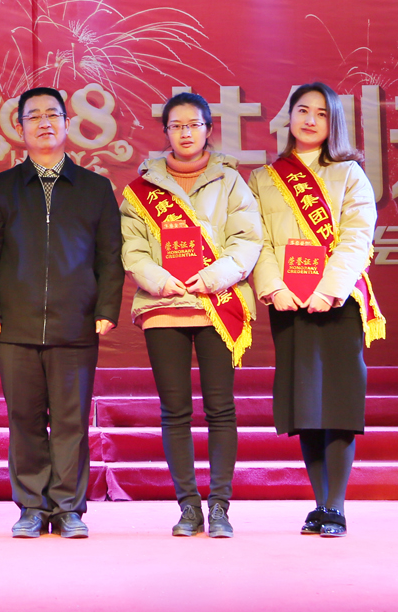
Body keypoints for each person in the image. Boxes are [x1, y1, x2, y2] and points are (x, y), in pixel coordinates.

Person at [0, 87, 124, 539]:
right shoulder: (2, 187)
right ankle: (32, 507)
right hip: (14, 324)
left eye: (52, 115)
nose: (44, 123)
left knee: (71, 420)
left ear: (67, 123)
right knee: (24, 419)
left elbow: (109, 256)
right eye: (33, 116)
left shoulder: (95, 188)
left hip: (76, 321)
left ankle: (69, 507)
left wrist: (106, 307)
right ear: (19, 127)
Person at [120, 92, 262, 538]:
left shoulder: (231, 181)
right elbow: (132, 248)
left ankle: (219, 506)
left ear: (208, 129)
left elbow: (247, 240)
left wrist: (214, 277)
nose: (185, 133)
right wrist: (160, 280)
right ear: (166, 131)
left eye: (194, 124)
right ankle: (188, 507)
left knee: (221, 409)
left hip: (218, 305)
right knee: (175, 410)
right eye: (177, 125)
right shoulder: (141, 189)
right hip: (164, 306)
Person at [247, 82, 385, 538]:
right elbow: (258, 241)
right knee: (305, 404)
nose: (310, 120)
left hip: (339, 304)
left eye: (322, 114)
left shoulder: (349, 174)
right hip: (289, 303)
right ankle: (320, 503)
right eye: (303, 110)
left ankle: (336, 507)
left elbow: (357, 238)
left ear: (334, 123)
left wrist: (329, 290)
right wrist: (273, 288)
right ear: (288, 117)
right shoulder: (264, 179)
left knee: (338, 404)